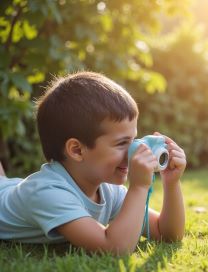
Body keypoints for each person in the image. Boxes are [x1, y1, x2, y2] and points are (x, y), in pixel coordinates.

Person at [0, 71, 186, 255]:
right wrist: (138, 188)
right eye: (122, 143)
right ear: (77, 150)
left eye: (134, 140)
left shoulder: (107, 189)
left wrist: (171, 183)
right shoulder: (46, 192)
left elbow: (166, 234)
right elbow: (114, 249)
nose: (133, 152)